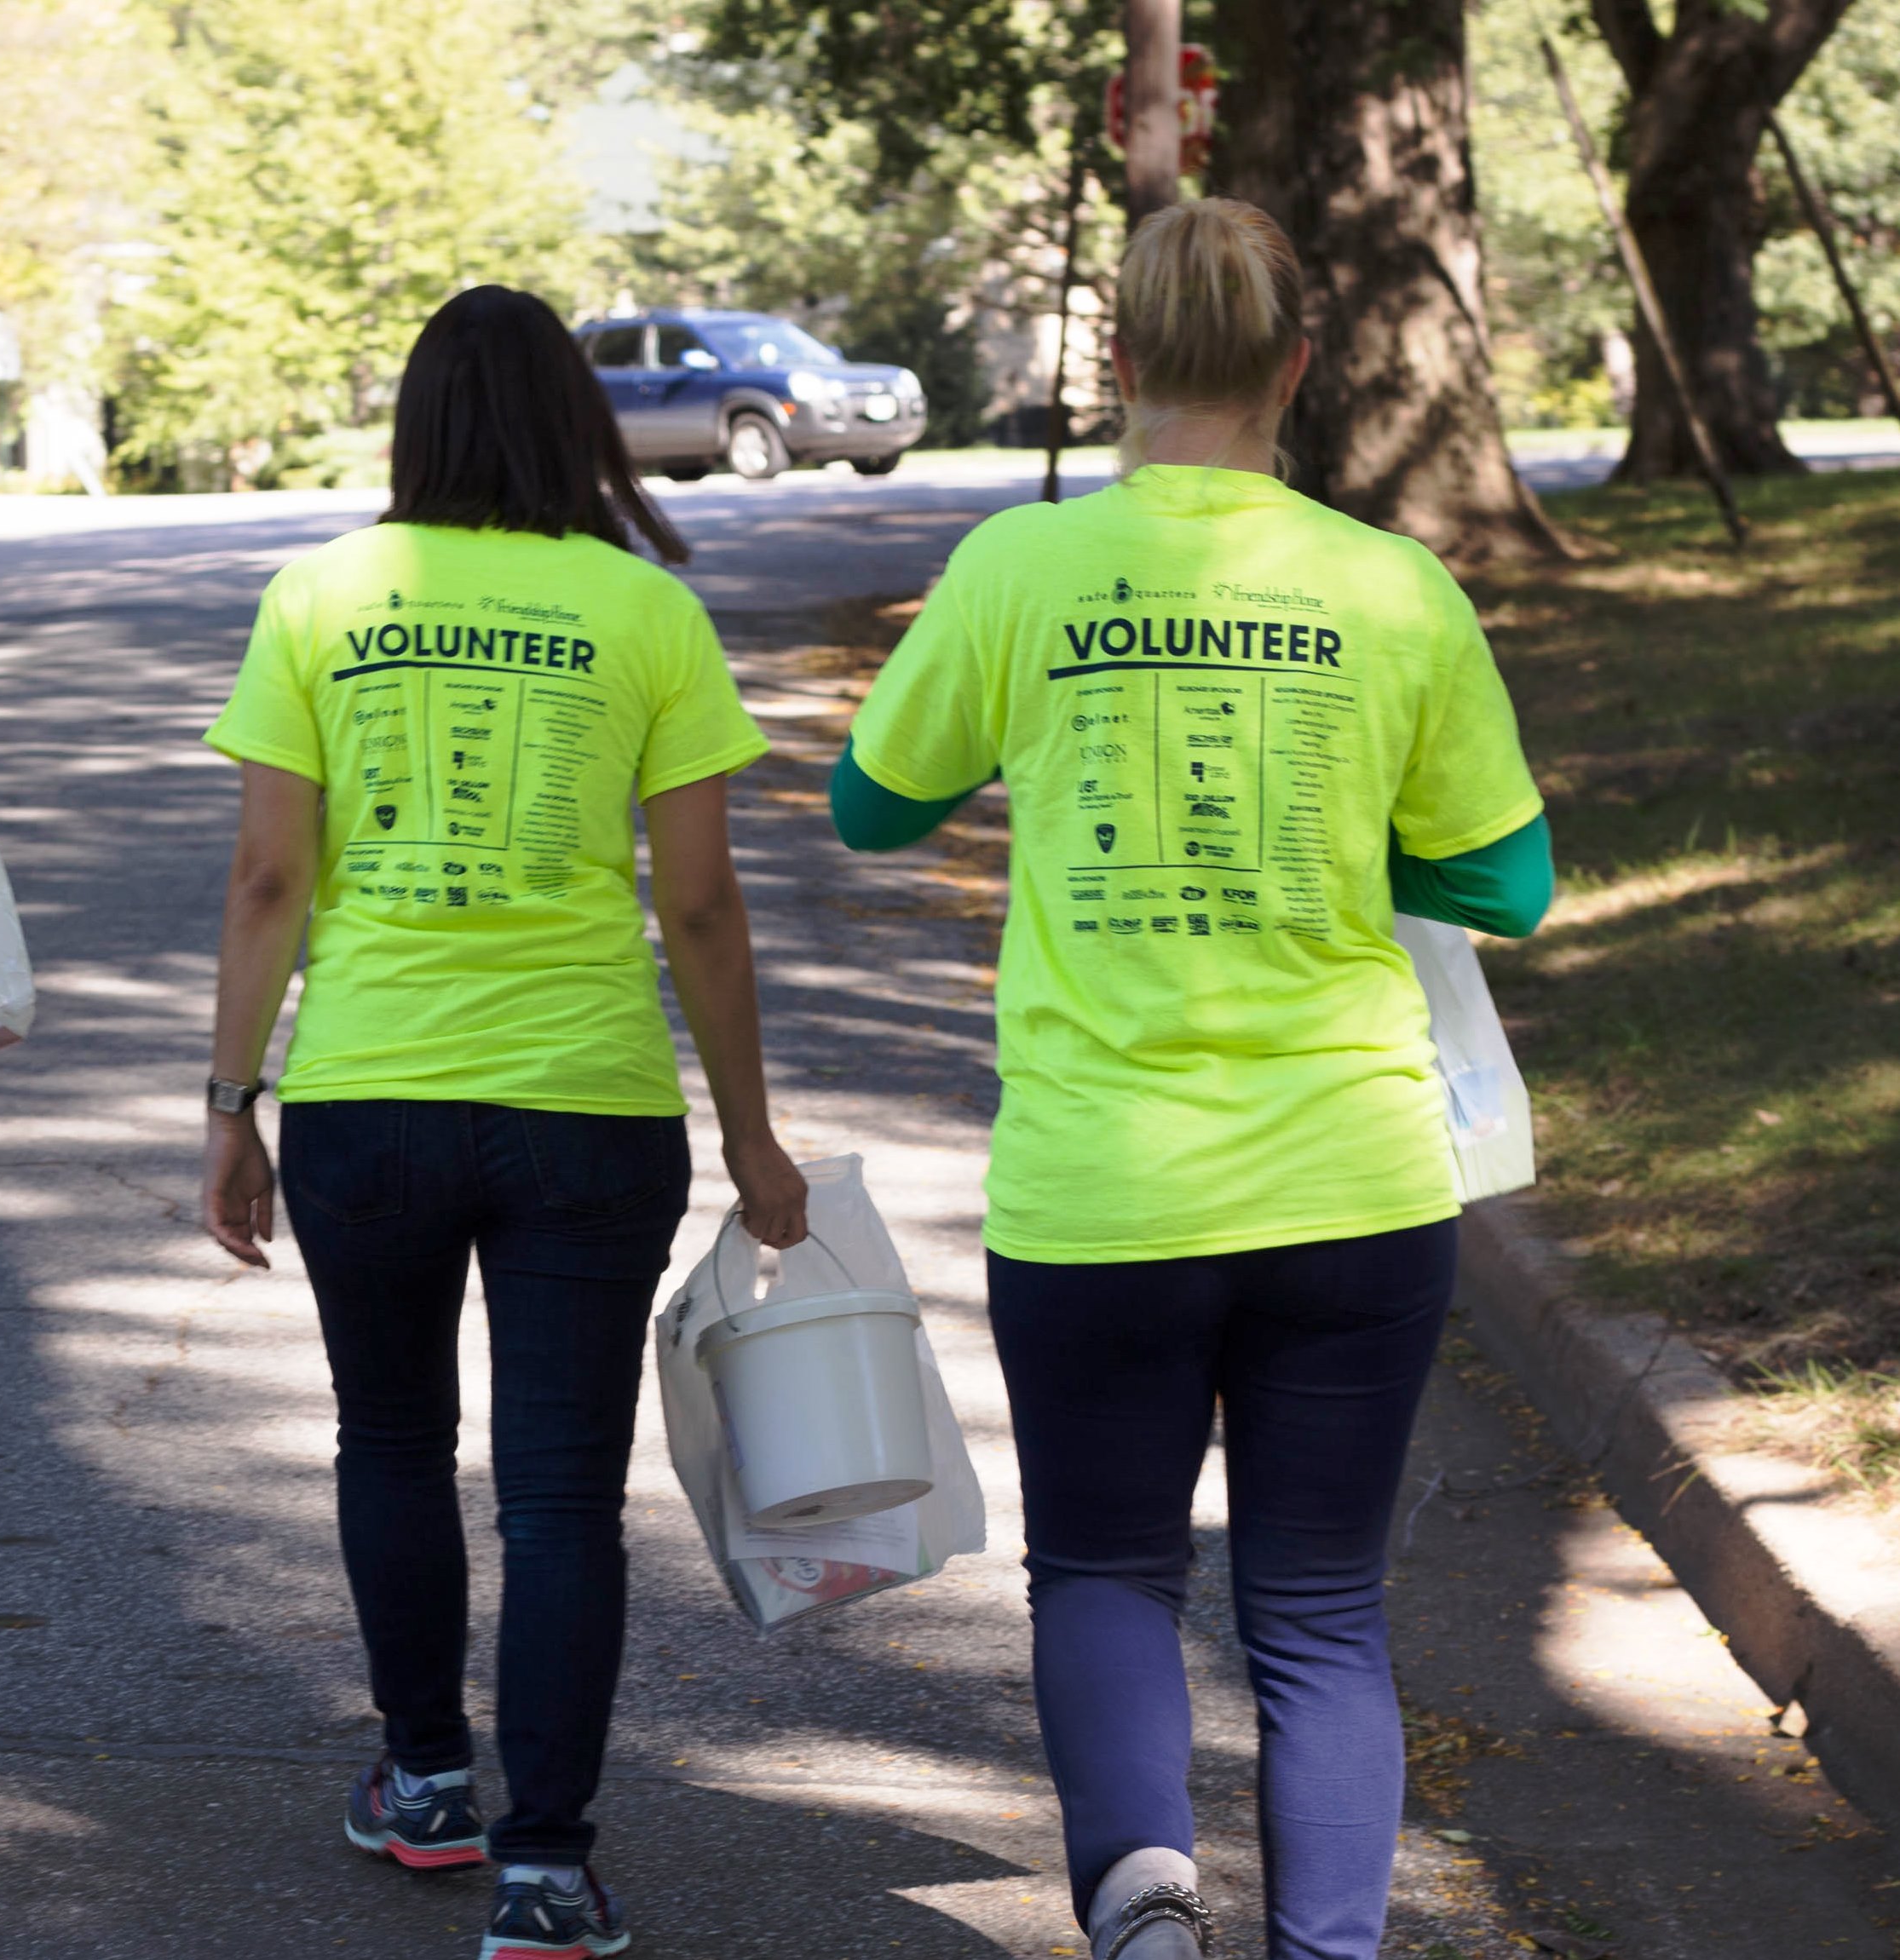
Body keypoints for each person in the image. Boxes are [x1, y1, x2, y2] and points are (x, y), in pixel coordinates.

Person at [834, 198, 1553, 1960]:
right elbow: (1511, 884)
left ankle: (1145, 1902)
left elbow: (870, 803)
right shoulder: (1392, 585)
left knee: (1103, 1571)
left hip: (1101, 1187)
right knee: (1318, 1608)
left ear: (1125, 365)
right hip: (1356, 1181)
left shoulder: (1022, 568)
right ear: (1297, 370)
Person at [198, 284, 809, 1960]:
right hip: (585, 1106)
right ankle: (545, 1870)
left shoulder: (321, 596)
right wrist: (754, 1134)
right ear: (575, 423)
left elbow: (268, 879)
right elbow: (699, 907)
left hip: (366, 1101)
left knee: (389, 1443)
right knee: (559, 1503)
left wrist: (231, 1100)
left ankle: (423, 1780)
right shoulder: (642, 610)